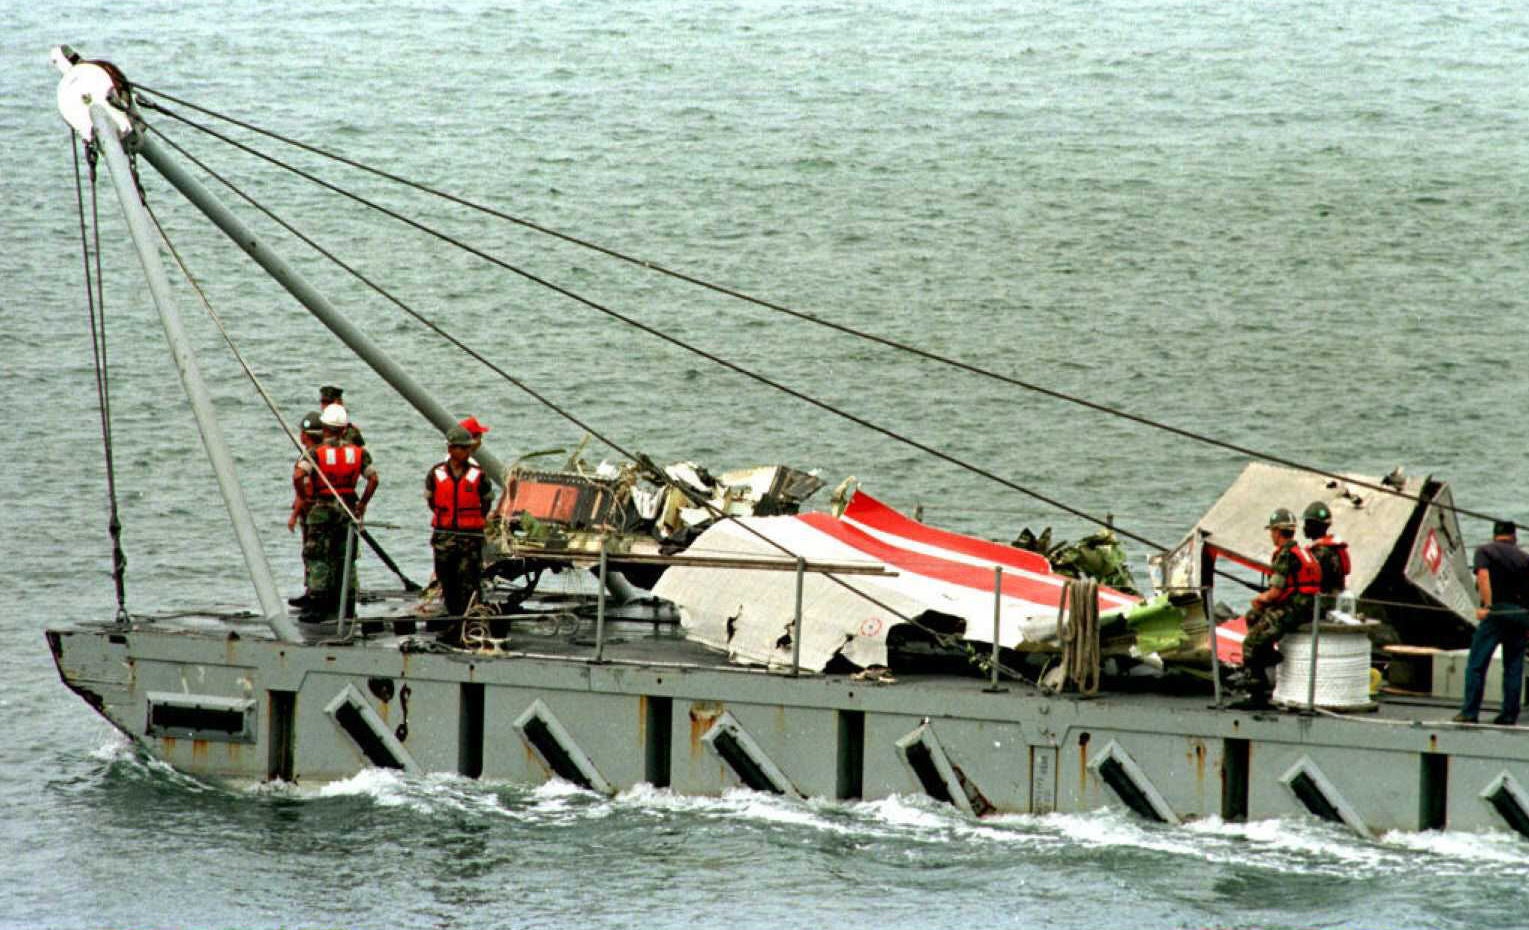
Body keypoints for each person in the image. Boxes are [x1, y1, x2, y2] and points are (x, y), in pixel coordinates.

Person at [1233, 507, 1322, 709]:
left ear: (1277, 532)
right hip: (1306, 606)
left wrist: (1259, 599)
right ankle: (1268, 654)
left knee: (1250, 642)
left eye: (1272, 531)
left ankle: (1257, 693)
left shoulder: (1286, 555)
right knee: (1253, 617)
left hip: (1294, 609)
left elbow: (1274, 592)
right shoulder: (1304, 552)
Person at [297, 404, 379, 617]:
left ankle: (318, 605)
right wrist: (363, 503)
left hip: (322, 508)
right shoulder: (359, 453)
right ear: (344, 429)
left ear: (324, 427)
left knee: (318, 556)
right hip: (347, 508)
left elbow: (298, 476)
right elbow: (373, 478)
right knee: (346, 556)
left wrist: (305, 498)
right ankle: (348, 605)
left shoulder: (316, 453)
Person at [1454, 520, 1529, 725]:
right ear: (1514, 536)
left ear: (1495, 534)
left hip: (1497, 612)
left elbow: (1484, 577)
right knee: (1514, 667)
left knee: (1477, 664)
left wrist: (1487, 606)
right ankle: (1509, 715)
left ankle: (1470, 712)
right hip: (1521, 614)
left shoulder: (1485, 551)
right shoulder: (1524, 557)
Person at [425, 425, 495, 644]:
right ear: (451, 449)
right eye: (461, 448)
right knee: (448, 583)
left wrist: (472, 522)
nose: (466, 452)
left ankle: (467, 627)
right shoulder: (436, 473)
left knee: (469, 585)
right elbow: (431, 500)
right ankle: (453, 626)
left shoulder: (478, 475)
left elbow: (486, 502)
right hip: (444, 538)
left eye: (467, 448)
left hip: (469, 539)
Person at [285, 411, 325, 608]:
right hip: (328, 511)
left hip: (312, 513)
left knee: (312, 553)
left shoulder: (310, 457)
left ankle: (313, 593)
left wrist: (294, 514)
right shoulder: (326, 453)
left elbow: (305, 487)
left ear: (305, 435)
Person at [1302, 501, 1351, 597]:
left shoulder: (1320, 552)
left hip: (1324, 601)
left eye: (1307, 523)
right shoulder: (1334, 547)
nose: (1304, 527)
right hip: (1336, 597)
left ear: (1315, 526)